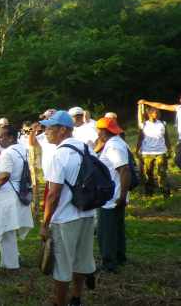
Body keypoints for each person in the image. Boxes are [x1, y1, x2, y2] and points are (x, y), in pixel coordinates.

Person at [39, 111, 96, 306]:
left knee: (62, 264)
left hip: (65, 218)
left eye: (49, 128)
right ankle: (76, 298)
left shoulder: (60, 154)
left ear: (62, 130)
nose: (46, 132)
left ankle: (59, 302)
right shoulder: (88, 149)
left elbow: (53, 195)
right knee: (82, 258)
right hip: (88, 213)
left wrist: (45, 223)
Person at [0, 125, 34, 270]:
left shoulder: (7, 153)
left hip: (7, 196)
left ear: (11, 137)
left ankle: (11, 265)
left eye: (2, 136)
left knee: (6, 230)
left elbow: (5, 174)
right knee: (9, 230)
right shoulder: (21, 149)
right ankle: (10, 260)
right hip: (18, 192)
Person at [95, 118, 130, 273]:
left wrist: (122, 196)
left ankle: (109, 263)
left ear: (104, 131)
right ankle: (119, 257)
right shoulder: (114, 143)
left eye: (98, 130)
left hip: (112, 197)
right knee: (116, 228)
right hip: (115, 195)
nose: (97, 133)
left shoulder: (114, 146)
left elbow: (124, 170)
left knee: (106, 232)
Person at [136, 107, 171, 197]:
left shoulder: (163, 123)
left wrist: (169, 149)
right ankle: (149, 192)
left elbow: (166, 137)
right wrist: (137, 151)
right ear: (150, 114)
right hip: (147, 153)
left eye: (158, 113)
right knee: (148, 173)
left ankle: (165, 192)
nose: (158, 114)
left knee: (162, 173)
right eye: (156, 113)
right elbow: (140, 138)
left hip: (161, 152)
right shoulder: (144, 125)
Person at [29, 109, 58, 219]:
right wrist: (33, 131)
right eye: (45, 119)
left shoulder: (61, 134)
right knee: (50, 200)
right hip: (49, 174)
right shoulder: (44, 135)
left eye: (48, 119)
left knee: (56, 200)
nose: (46, 121)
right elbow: (32, 143)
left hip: (59, 173)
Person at [138, 97, 181, 169]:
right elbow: (161, 105)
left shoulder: (162, 123)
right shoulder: (178, 108)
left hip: (162, 151)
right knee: (177, 160)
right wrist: (146, 102)